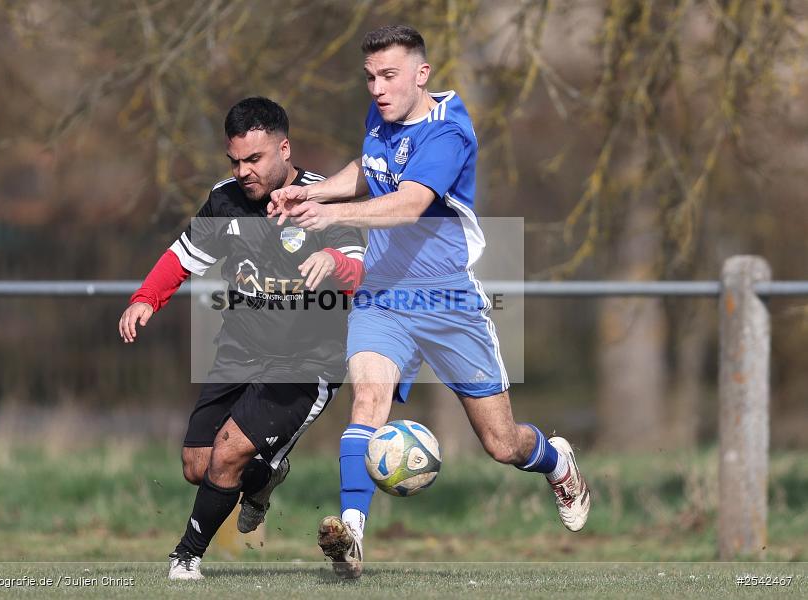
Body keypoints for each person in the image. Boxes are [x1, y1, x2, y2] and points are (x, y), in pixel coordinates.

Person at [269, 25, 591, 579]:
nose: (377, 88)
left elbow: (409, 203)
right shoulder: (385, 113)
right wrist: (314, 190)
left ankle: (556, 460)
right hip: (382, 293)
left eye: (389, 76)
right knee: (367, 401)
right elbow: (368, 170)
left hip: (447, 299)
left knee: (501, 443)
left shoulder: (448, 136)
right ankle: (352, 537)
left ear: (422, 75)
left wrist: (330, 215)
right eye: (370, 77)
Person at [119, 97, 365, 580]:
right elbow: (183, 254)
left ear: (285, 149)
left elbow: (361, 267)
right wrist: (147, 297)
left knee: (228, 453)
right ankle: (263, 478)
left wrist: (335, 263)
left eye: (254, 159)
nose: (243, 170)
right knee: (198, 465)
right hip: (239, 349)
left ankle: (184, 558)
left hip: (306, 360)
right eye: (234, 160)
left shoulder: (323, 197)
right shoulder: (225, 197)